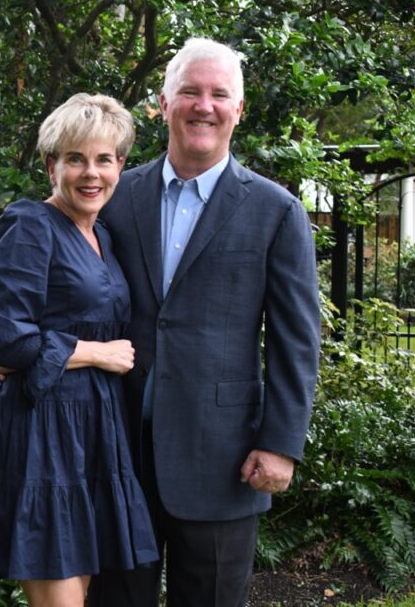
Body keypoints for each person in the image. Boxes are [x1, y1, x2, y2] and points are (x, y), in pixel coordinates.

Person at [85, 38, 322, 606]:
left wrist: (281, 444)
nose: (204, 105)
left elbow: (296, 341)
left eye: (220, 94)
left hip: (223, 460)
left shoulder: (276, 211)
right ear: (163, 105)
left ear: (238, 111)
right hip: (118, 454)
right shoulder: (115, 198)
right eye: (189, 92)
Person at [0, 93, 159, 606]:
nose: (91, 173)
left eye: (103, 159)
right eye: (75, 159)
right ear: (52, 166)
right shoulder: (30, 225)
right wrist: (94, 352)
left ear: (120, 166)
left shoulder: (103, 237)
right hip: (44, 430)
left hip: (96, 429)